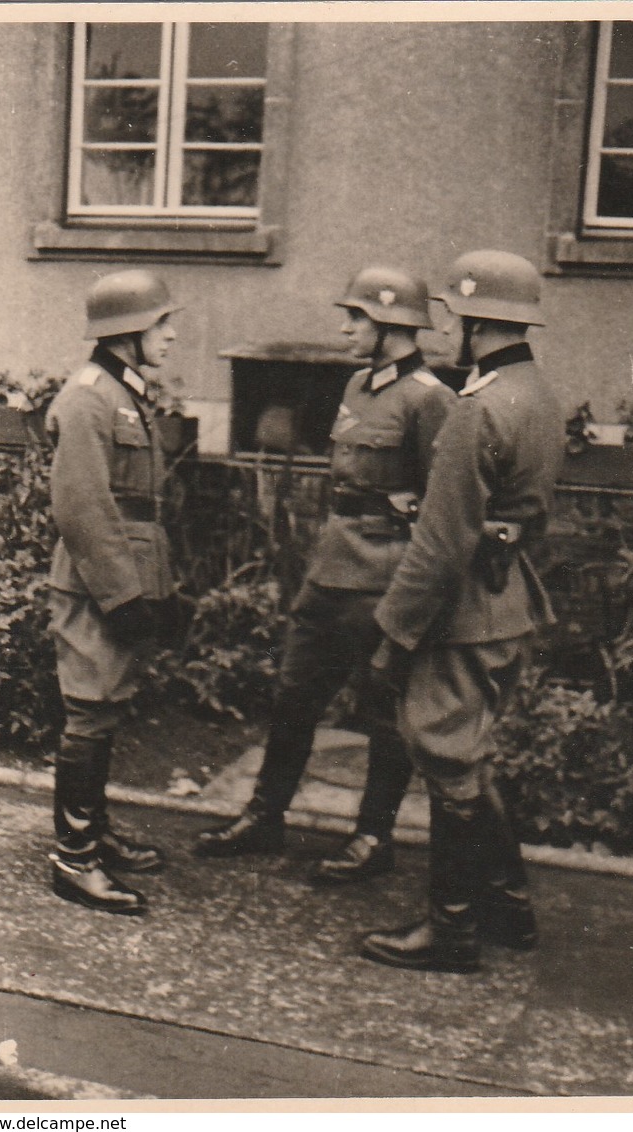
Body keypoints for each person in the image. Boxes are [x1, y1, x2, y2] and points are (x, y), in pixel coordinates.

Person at [194, 267, 457, 882]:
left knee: (382, 710)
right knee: (293, 695)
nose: (345, 327)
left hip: (385, 576)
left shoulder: (429, 398)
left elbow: (444, 502)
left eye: (357, 318)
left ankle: (372, 836)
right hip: (331, 567)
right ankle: (265, 814)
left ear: (391, 325)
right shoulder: (358, 387)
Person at [361, 250, 564, 971]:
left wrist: (392, 636)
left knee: (448, 759)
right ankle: (507, 910)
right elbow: (521, 516)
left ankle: (451, 933)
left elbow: (439, 546)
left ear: (479, 324)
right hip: (506, 603)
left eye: (453, 318)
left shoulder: (478, 411)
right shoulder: (537, 394)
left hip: (464, 611)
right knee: (469, 755)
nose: (444, 331)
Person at [46, 268, 182, 916]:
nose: (172, 334)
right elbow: (81, 505)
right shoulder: (88, 397)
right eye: (162, 323)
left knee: (110, 704)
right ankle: (73, 859)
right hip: (96, 585)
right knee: (89, 710)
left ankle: (93, 833)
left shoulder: (124, 392)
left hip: (124, 578)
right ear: (128, 331)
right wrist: (120, 596)